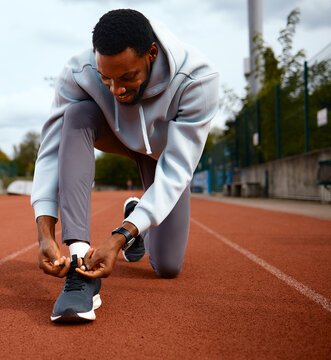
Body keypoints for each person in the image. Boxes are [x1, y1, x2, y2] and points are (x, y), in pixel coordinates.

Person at [31, 9, 219, 323]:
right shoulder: (78, 72)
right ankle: (82, 272)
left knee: (169, 267)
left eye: (128, 77)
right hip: (112, 136)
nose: (116, 89)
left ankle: (136, 219)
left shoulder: (198, 80)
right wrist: (44, 234)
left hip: (162, 156)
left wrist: (121, 238)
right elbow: (51, 152)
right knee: (76, 116)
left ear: (152, 55)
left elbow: (177, 170)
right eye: (106, 78)